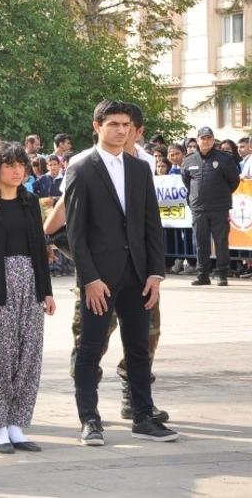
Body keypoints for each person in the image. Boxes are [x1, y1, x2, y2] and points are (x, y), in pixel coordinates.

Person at [64, 100, 177, 445]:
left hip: (138, 275)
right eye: (113, 124)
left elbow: (151, 225)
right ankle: (90, 420)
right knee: (90, 348)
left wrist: (156, 273)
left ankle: (143, 416)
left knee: (139, 348)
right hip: (99, 277)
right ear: (97, 126)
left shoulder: (140, 168)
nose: (121, 130)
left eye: (126, 124)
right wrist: (90, 279)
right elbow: (75, 233)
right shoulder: (81, 168)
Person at [0, 143, 56, 454]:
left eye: (22, 165)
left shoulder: (31, 203)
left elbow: (40, 251)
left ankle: (17, 423)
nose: (18, 171)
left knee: (28, 355)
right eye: (11, 165)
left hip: (29, 283)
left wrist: (46, 290)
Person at [181, 127, 240, 286]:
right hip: (198, 209)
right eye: (202, 138)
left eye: (208, 138)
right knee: (200, 242)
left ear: (213, 140)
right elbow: (187, 181)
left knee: (221, 242)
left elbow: (234, 181)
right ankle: (203, 275)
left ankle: (222, 274)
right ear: (197, 140)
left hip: (219, 208)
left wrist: (221, 195)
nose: (205, 141)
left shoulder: (225, 159)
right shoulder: (189, 160)